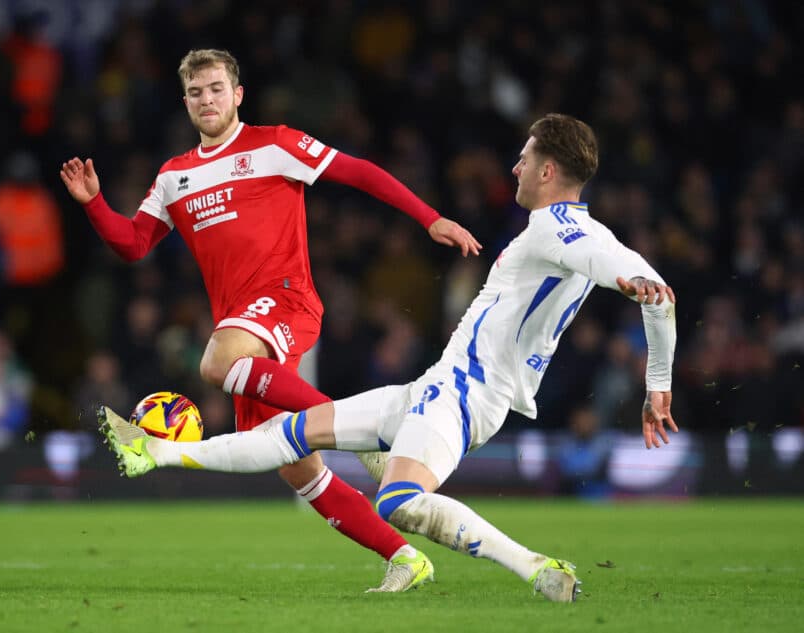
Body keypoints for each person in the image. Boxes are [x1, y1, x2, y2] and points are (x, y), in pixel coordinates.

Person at [100, 113, 679, 602]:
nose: (515, 169)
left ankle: (536, 569)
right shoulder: (572, 230)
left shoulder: (558, 227)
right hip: (436, 385)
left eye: (524, 160)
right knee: (292, 435)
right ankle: (154, 452)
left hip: (464, 396)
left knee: (399, 502)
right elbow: (658, 292)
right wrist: (657, 386)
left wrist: (627, 285)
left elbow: (638, 282)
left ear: (549, 170)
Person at [60, 48, 481, 592]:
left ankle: (368, 434)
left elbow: (359, 172)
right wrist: (95, 204)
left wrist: (430, 218)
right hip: (242, 322)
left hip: (286, 300)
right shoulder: (174, 177)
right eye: (195, 92)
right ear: (185, 101)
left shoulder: (275, 144)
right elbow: (134, 244)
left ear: (238, 95)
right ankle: (404, 556)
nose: (206, 100)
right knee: (294, 466)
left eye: (216, 89)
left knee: (218, 360)